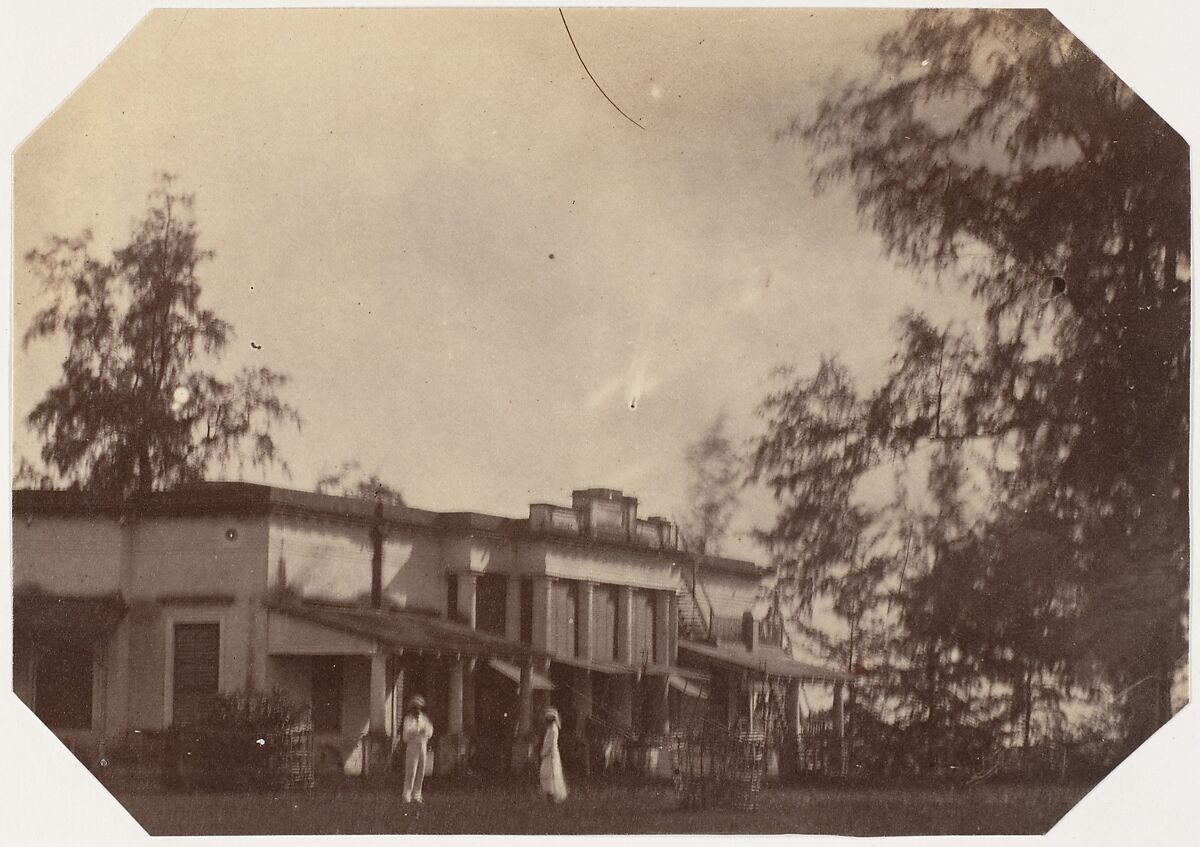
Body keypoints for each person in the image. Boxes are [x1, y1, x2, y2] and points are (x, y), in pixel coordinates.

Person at [401, 695, 433, 803]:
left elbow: (430, 731)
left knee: (421, 771)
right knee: (411, 771)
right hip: (412, 745)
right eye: (415, 707)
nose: (418, 710)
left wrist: (426, 731)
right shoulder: (408, 719)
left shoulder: (424, 718)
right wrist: (417, 730)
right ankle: (407, 795)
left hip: (422, 744)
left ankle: (417, 794)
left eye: (419, 708)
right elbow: (406, 735)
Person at [539, 707, 568, 803]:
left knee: (550, 775)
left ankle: (551, 796)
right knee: (546, 775)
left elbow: (551, 744)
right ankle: (549, 795)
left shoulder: (553, 729)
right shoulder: (550, 728)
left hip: (551, 756)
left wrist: (544, 752)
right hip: (548, 755)